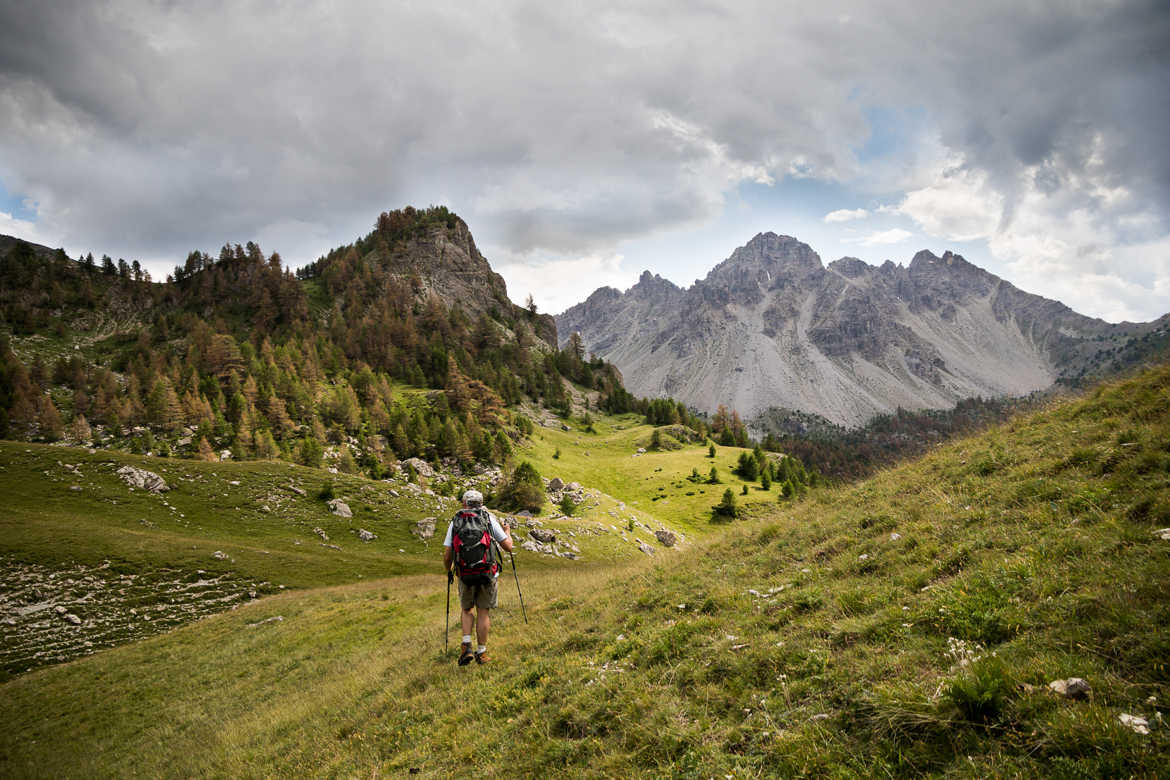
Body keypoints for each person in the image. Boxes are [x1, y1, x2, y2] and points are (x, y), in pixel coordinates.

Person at [443, 489, 513, 665]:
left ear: (464, 503)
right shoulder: (488, 518)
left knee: (467, 610)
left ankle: (466, 644)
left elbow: (447, 554)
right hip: (487, 573)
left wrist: (450, 571)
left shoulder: (456, 520)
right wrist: (507, 531)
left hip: (464, 573)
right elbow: (508, 547)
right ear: (481, 503)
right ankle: (481, 653)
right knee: (483, 611)